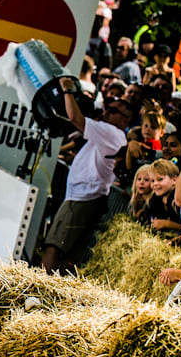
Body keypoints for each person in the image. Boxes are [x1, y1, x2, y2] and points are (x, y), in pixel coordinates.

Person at [39, 83, 131, 271]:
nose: (106, 112)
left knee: (55, 245)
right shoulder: (111, 135)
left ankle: (34, 286)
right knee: (69, 255)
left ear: (125, 121)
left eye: (113, 111)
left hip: (83, 197)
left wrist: (66, 90)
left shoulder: (111, 133)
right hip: (88, 196)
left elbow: (75, 117)